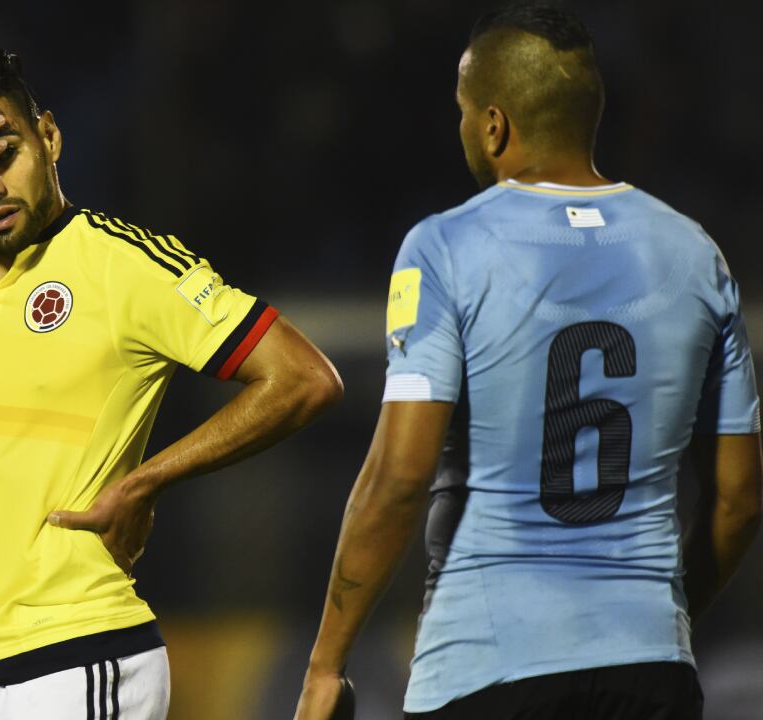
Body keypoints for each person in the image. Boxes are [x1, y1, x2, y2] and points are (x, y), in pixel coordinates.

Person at [0, 41, 342, 719]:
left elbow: (304, 377)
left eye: (4, 155)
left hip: (76, 654)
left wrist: (147, 481)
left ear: (50, 137)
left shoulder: (125, 265)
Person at [294, 3, 761, 719]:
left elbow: (399, 476)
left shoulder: (445, 247)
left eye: (462, 111)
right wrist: (657, 623)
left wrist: (326, 665)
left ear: (494, 126)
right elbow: (739, 497)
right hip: (651, 670)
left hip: (487, 666)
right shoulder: (697, 254)